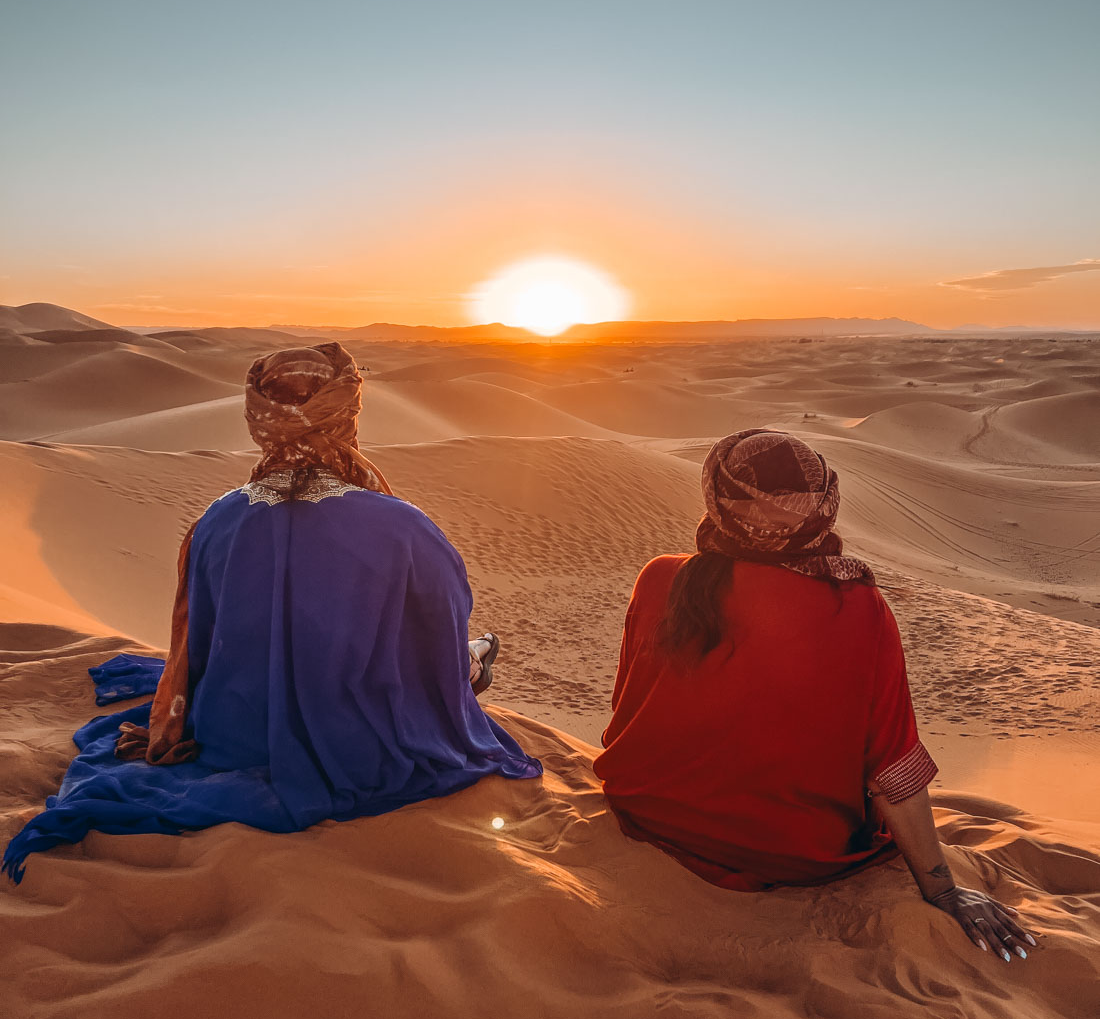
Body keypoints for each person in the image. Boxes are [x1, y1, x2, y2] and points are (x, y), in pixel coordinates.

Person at [3, 342, 541, 882]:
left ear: (258, 420)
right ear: (347, 413)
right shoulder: (404, 529)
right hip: (364, 742)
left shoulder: (216, 523)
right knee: (459, 664)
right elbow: (435, 639)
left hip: (230, 730)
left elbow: (199, 648)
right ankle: (479, 661)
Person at [594, 429, 1035, 961]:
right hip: (790, 855)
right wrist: (941, 888)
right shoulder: (856, 606)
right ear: (823, 507)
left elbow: (628, 710)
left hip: (645, 816)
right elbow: (893, 766)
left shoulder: (661, 579)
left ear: (717, 499)